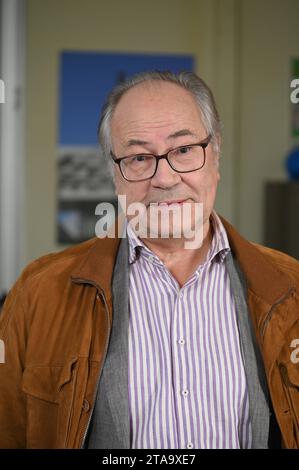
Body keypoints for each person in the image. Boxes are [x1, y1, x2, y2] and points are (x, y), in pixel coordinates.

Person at [0, 71, 298, 450]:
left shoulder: (292, 289)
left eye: (184, 150)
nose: (165, 177)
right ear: (115, 174)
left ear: (215, 156)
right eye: (140, 157)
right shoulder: (38, 292)